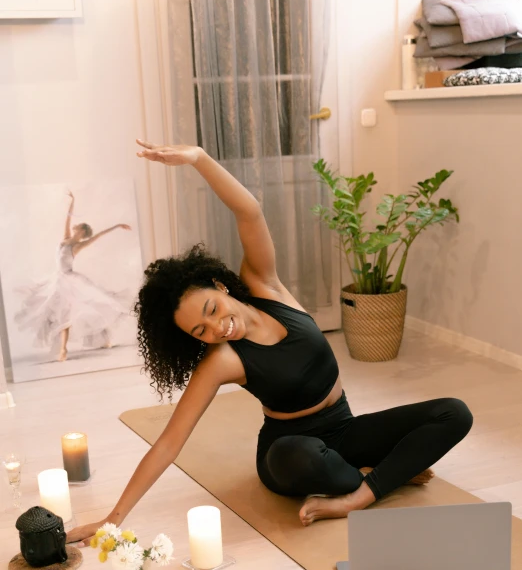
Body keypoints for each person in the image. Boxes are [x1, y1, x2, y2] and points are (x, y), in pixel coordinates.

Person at [67, 140, 473, 544]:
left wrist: (199, 158)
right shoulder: (222, 360)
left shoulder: (265, 285)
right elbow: (169, 443)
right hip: (289, 451)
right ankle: (383, 476)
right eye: (200, 332)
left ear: (220, 285)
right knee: (298, 456)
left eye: (211, 310)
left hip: (344, 427)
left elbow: (249, 211)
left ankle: (355, 494)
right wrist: (112, 518)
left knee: (454, 413)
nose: (216, 328)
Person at [15, 191, 132, 362]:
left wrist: (117, 226)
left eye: (77, 227)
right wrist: (73, 201)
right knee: (57, 314)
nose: (73, 226)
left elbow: (98, 236)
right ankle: (73, 346)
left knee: (73, 313)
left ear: (82, 231)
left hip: (70, 282)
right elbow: (67, 218)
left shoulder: (78, 245)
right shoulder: (66, 238)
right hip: (57, 280)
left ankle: (64, 349)